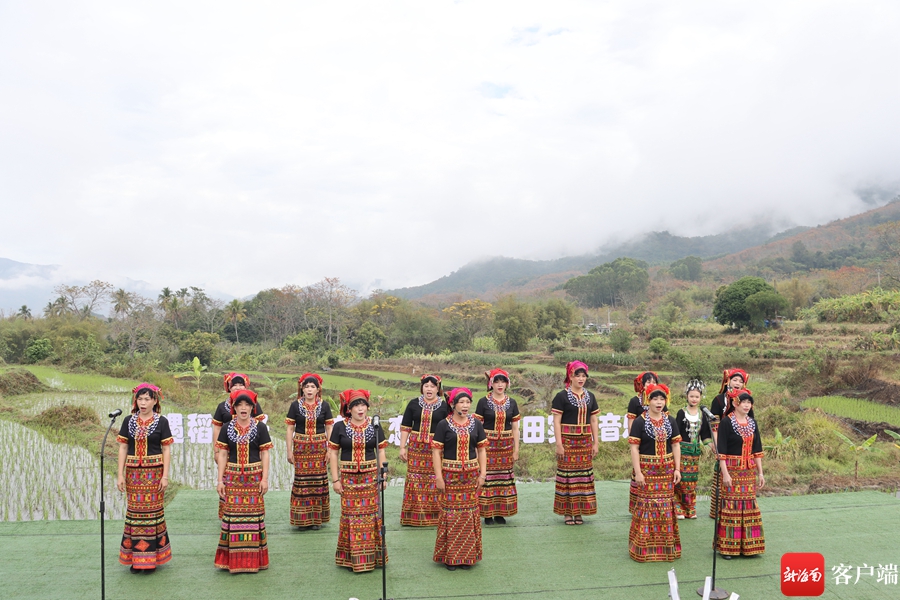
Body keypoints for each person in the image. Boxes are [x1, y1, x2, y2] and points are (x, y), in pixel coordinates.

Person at [328, 389, 388, 572]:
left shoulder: (374, 426)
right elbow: (333, 454)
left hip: (370, 478)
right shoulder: (340, 427)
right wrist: (336, 480)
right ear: (349, 409)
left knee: (371, 516)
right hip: (348, 480)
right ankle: (351, 559)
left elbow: (381, 451)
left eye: (363, 405)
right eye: (356, 406)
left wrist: (383, 475)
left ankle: (373, 558)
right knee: (350, 517)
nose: (360, 409)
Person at [117, 383, 173, 573]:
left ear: (154, 401)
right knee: (134, 514)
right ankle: (135, 559)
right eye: (140, 399)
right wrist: (120, 474)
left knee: (153, 514)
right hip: (133, 475)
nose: (143, 403)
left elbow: (166, 449)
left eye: (147, 399)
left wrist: (165, 476)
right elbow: (123, 447)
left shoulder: (162, 422)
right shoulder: (128, 421)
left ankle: (150, 559)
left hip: (154, 474)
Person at [215, 390, 273, 573]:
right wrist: (220, 480)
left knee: (254, 519)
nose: (243, 408)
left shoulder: (260, 428)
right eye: (239, 404)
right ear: (234, 408)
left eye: (247, 405)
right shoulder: (227, 428)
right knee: (232, 517)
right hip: (232, 479)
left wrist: (264, 479)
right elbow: (223, 454)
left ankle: (254, 561)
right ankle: (232, 561)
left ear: (252, 408)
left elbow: (265, 453)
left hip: (254, 479)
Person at [432, 387, 488, 571]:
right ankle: (450, 557)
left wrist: (482, 474)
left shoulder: (476, 424)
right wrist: (439, 477)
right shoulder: (444, 425)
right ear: (453, 404)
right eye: (461, 402)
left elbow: (481, 450)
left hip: (470, 476)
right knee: (451, 515)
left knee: (469, 514)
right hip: (449, 476)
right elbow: (436, 452)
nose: (465, 406)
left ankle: (468, 557)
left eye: (467, 402)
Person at [628, 383, 682, 562]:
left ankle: (665, 548)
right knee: (647, 506)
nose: (659, 402)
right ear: (648, 400)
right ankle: (644, 548)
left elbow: (675, 445)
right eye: (655, 399)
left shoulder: (670, 420)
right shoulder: (639, 422)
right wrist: (638, 472)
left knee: (666, 506)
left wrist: (677, 468)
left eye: (662, 399)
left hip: (667, 470)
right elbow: (634, 448)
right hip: (647, 470)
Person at [716, 389, 765, 558]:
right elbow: (721, 451)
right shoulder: (726, 422)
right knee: (731, 507)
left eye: (749, 402)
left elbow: (757, 450)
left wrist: (760, 473)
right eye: (743, 402)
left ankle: (749, 547)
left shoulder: (752, 423)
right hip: (731, 470)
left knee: (749, 505)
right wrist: (725, 474)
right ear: (735, 403)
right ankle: (728, 548)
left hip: (748, 471)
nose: (746, 405)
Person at [552, 361, 600, 525]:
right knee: (567, 477)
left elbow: (593, 420)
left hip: (585, 442)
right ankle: (567, 512)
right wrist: (559, 444)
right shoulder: (561, 396)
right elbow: (556, 421)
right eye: (577, 375)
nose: (580, 379)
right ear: (570, 377)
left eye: (583, 376)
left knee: (582, 477)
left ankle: (579, 512)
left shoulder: (590, 396)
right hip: (567, 442)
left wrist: (595, 442)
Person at [398, 374, 449, 526]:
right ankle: (414, 515)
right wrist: (402, 447)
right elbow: (406, 426)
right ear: (422, 388)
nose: (429, 389)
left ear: (438, 389)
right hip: (416, 447)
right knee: (415, 478)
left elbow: (449, 427)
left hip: (437, 448)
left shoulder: (445, 406)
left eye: (432, 386)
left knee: (435, 477)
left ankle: (436, 515)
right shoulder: (413, 404)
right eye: (426, 386)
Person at [286, 372, 334, 530]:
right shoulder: (295, 406)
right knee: (302, 482)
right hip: (301, 449)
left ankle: (316, 519)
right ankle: (302, 519)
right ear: (302, 389)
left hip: (320, 449)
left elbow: (329, 428)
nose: (309, 389)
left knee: (318, 482)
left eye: (312, 386)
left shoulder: (324, 406)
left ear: (318, 389)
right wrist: (289, 451)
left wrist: (330, 450)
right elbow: (290, 428)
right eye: (306, 386)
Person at [212, 373, 263, 520]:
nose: (238, 387)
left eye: (241, 385)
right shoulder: (222, 407)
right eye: (234, 385)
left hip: (250, 449)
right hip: (228, 449)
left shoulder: (254, 405)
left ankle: (251, 513)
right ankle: (228, 513)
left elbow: (260, 426)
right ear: (229, 388)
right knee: (227, 480)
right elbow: (217, 429)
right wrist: (216, 450)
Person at [474, 369, 520, 525]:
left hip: (506, 446)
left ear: (507, 384)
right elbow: (477, 427)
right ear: (491, 384)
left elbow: (515, 428)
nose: (500, 385)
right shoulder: (483, 402)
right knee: (487, 476)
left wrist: (516, 449)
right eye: (496, 382)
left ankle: (501, 512)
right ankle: (487, 513)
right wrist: (477, 448)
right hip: (487, 445)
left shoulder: (512, 403)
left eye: (503, 382)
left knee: (503, 478)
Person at [708, 368, 749, 519]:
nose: (737, 383)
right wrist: (717, 444)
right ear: (728, 381)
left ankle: (738, 510)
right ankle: (719, 511)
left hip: (740, 443)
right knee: (722, 473)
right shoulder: (719, 400)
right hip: (723, 440)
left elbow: (750, 421)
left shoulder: (746, 400)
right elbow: (714, 425)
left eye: (740, 381)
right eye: (734, 380)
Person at [674, 379, 712, 519]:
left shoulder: (703, 414)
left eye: (697, 396)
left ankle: (690, 508)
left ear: (701, 397)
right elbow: (676, 433)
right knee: (681, 480)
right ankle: (678, 507)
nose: (694, 399)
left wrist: (711, 446)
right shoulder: (681, 413)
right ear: (687, 396)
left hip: (695, 453)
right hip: (682, 451)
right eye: (691, 396)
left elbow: (705, 435)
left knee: (692, 480)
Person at [626, 371, 659, 515]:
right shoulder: (635, 401)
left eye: (654, 382)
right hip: (641, 441)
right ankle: (637, 507)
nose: (652, 384)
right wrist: (634, 440)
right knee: (639, 471)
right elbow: (631, 423)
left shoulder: (660, 400)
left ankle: (655, 506)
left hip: (658, 442)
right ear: (642, 385)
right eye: (648, 382)